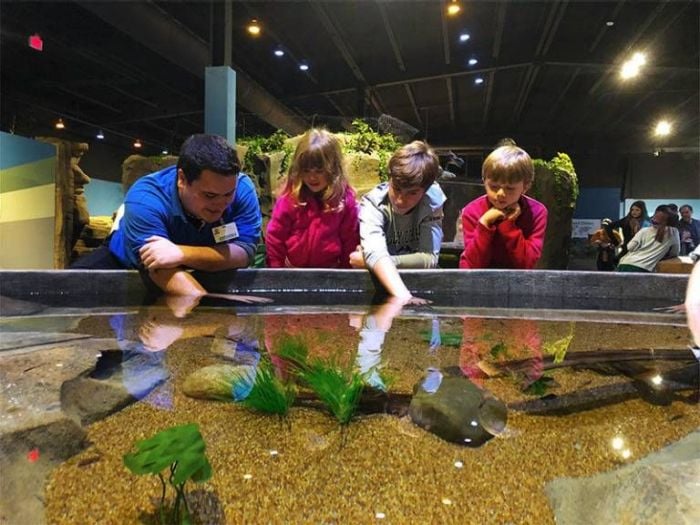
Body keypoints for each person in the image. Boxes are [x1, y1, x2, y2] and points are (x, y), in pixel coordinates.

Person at [73, 134, 262, 297]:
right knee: (73, 285)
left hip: (196, 265)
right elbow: (159, 267)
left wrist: (180, 253)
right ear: (182, 179)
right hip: (130, 263)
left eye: (228, 194)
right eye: (209, 195)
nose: (221, 204)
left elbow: (244, 251)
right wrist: (206, 316)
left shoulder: (243, 189)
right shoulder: (145, 198)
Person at [349, 141, 446, 303]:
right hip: (378, 284)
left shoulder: (433, 201)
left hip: (422, 281)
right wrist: (405, 297)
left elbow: (429, 258)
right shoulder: (374, 204)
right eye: (397, 189)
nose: (400, 200)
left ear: (425, 190)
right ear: (390, 179)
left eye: (412, 193)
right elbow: (375, 252)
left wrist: (373, 262)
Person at [265, 128, 359, 268]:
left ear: (333, 169)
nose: (312, 177)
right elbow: (275, 237)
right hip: (293, 270)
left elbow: (350, 240)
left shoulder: (345, 201)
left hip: (330, 270)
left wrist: (346, 273)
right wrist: (276, 270)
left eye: (319, 171)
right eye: (306, 170)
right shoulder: (290, 198)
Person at [459, 145, 548, 269]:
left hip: (517, 278)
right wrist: (484, 223)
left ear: (526, 186)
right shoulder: (472, 211)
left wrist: (508, 223)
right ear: (484, 181)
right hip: (479, 278)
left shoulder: (537, 212)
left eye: (510, 188)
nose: (500, 193)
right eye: (494, 187)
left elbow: (526, 264)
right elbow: (472, 266)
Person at [617, 205, 680, 272]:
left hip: (625, 263)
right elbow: (675, 252)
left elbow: (630, 247)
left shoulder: (644, 230)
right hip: (643, 268)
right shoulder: (673, 232)